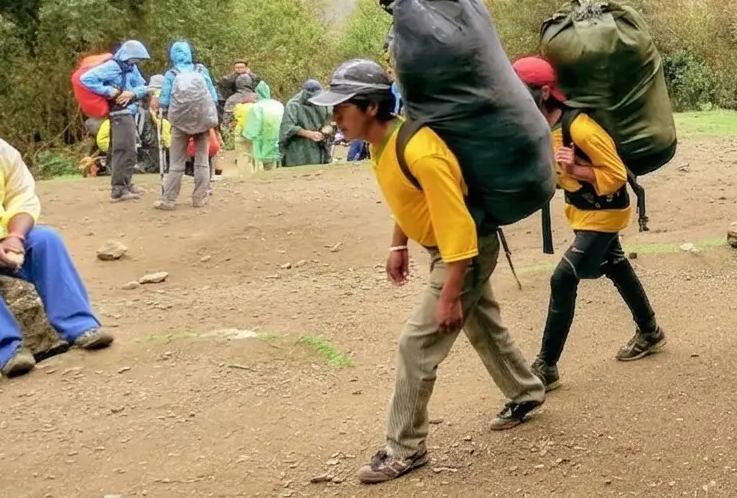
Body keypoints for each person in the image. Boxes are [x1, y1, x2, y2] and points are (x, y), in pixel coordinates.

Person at [309, 60, 547, 485]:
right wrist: (398, 243)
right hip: (451, 250)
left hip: (464, 253)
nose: (334, 118)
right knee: (482, 326)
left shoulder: (420, 150)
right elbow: (410, 199)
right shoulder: (385, 145)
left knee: (416, 346)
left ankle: (405, 448)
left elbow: (457, 225)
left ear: (368, 108)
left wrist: (450, 291)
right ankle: (525, 391)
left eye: (340, 108)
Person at [513, 58, 665, 390]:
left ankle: (547, 365)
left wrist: (576, 170)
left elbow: (615, 175)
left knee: (563, 278)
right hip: (581, 213)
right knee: (617, 266)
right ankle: (650, 332)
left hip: (605, 213)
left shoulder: (581, 127)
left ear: (542, 94)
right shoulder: (541, 128)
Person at [0, 135, 114, 385]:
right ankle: (7, 350)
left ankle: (80, 326)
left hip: (4, 235)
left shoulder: (0, 151)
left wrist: (15, 236)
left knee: (46, 240)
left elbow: (22, 197)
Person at [80, 40, 151, 202]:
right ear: (128, 55)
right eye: (135, 58)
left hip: (129, 111)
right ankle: (118, 188)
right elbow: (87, 79)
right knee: (122, 149)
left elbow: (143, 86)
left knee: (131, 150)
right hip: (118, 113)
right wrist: (109, 91)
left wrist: (131, 93)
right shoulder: (112, 67)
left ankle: (126, 183)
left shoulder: (131, 68)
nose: (137, 62)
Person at [155, 41, 219, 211]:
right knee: (202, 160)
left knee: (176, 162)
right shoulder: (201, 70)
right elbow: (213, 95)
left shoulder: (171, 74)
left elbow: (164, 101)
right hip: (202, 121)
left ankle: (169, 200)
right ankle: (200, 197)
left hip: (180, 124)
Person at [279, 80, 334, 167]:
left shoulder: (324, 103)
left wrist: (327, 129)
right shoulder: (293, 105)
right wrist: (308, 134)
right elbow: (287, 127)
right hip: (298, 151)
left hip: (320, 150)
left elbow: (331, 120)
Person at [241, 81, 285, 172]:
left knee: (263, 163)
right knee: (277, 161)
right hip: (278, 138)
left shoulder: (257, 107)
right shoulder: (278, 105)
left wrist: (247, 135)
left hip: (262, 140)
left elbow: (253, 127)